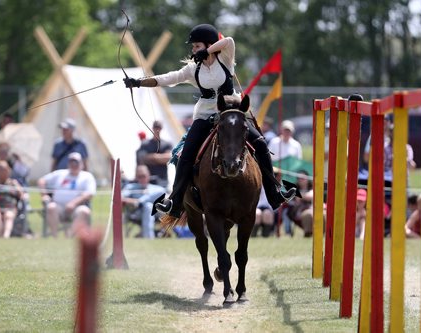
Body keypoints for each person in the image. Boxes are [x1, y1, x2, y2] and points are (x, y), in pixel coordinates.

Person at [124, 23, 296, 218]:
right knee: (186, 154)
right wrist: (138, 82)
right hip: (206, 114)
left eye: (196, 46)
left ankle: (274, 193)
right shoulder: (192, 69)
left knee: (261, 144)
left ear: (208, 44)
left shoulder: (225, 58)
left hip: (233, 111)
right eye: (194, 47)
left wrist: (207, 50)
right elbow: (168, 78)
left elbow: (229, 41)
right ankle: (176, 201)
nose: (193, 50)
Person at [38, 152, 96, 238]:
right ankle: (55, 237)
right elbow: (42, 180)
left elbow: (90, 193)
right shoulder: (60, 173)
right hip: (59, 207)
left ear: (81, 164)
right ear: (68, 164)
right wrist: (44, 195)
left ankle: (70, 237)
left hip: (77, 207)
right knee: (51, 207)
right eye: (71, 162)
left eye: (76, 162)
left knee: (84, 211)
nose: (74, 164)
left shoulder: (87, 176)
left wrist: (74, 203)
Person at [122, 165, 166, 239]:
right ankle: (148, 237)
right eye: (139, 176)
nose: (142, 179)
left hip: (156, 214)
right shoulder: (131, 187)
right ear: (136, 177)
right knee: (148, 206)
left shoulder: (156, 188)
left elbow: (164, 194)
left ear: (148, 175)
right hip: (135, 213)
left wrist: (139, 201)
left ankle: (147, 236)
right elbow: (120, 197)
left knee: (154, 200)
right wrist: (132, 201)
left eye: (144, 176)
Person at [136, 121, 173, 188]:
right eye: (156, 127)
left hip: (162, 180)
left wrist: (153, 157)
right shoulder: (145, 144)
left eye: (159, 127)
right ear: (152, 128)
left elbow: (168, 158)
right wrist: (160, 158)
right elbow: (143, 159)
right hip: (148, 181)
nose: (157, 129)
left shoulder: (167, 144)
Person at [285, 170, 313, 237]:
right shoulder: (294, 188)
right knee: (308, 214)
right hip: (298, 213)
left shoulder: (312, 187)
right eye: (299, 178)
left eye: (302, 178)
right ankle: (307, 234)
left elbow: (310, 196)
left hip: (311, 210)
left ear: (307, 178)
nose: (300, 180)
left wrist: (300, 196)